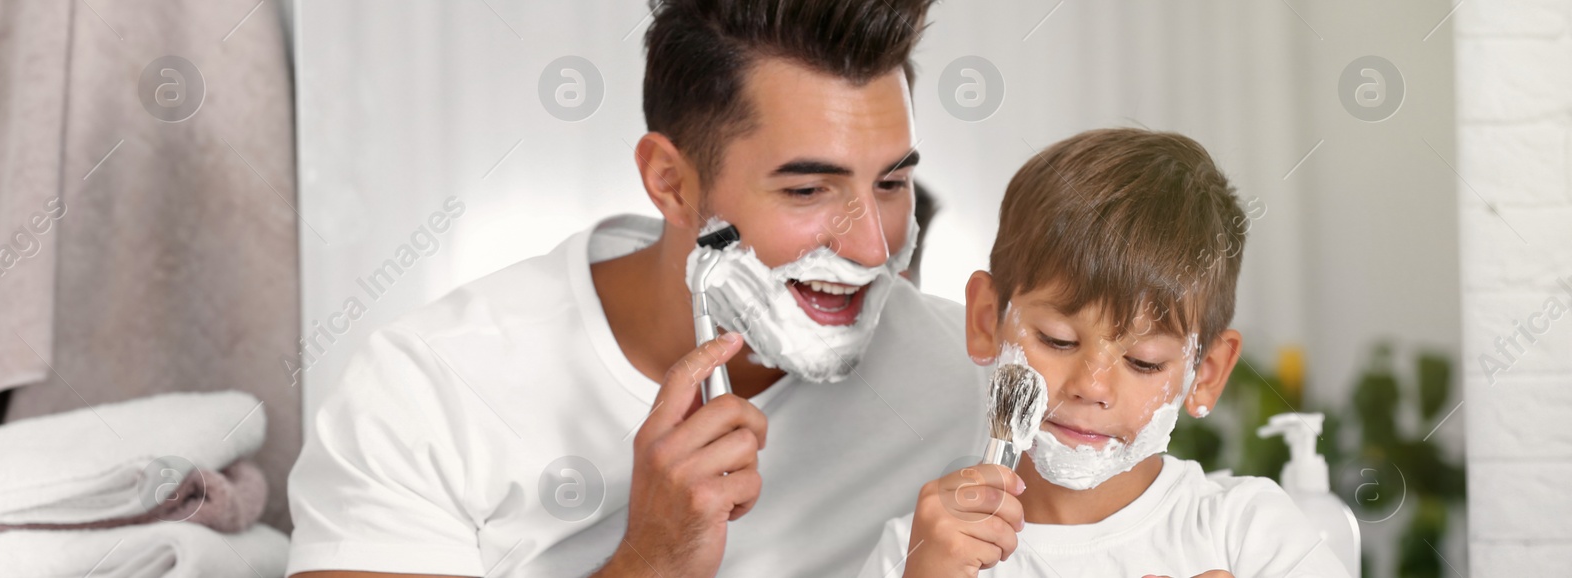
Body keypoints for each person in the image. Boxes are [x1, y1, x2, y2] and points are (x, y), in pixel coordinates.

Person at [285, 1, 986, 576]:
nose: (873, 247)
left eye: (892, 182)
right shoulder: (431, 389)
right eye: (807, 189)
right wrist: (652, 560)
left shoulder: (980, 381)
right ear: (671, 183)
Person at [858, 128, 1351, 577]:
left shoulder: (1249, 532)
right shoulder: (919, 549)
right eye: (1057, 339)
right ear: (988, 320)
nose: (1091, 386)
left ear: (1207, 372)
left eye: (1144, 362)